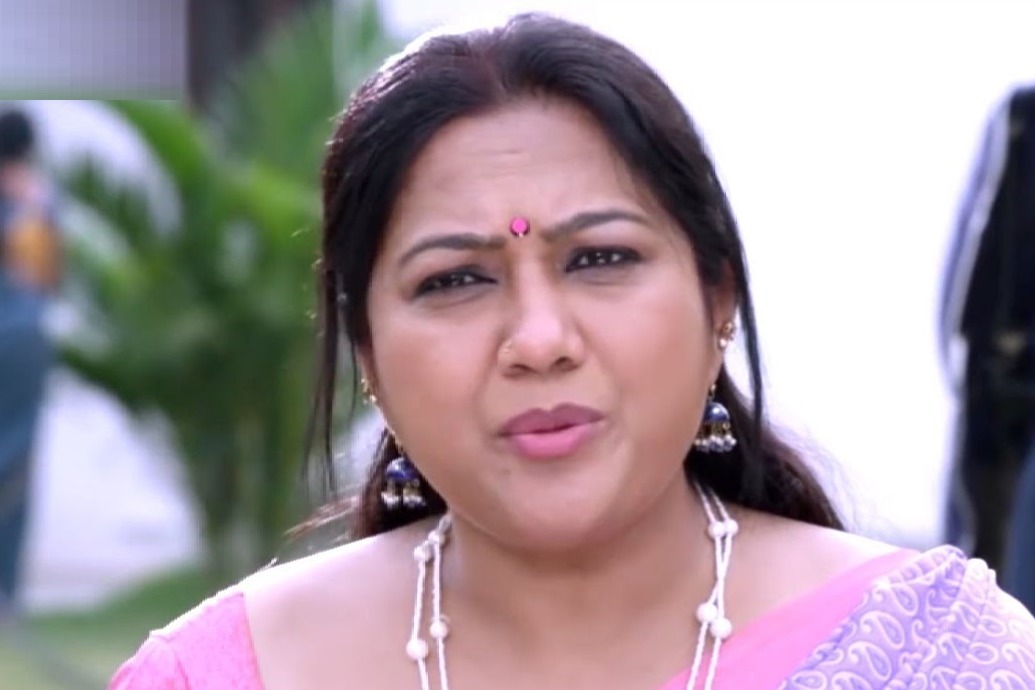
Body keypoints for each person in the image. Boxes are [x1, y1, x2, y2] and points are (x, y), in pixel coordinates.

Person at [109, 14, 1035, 689]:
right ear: (368, 353)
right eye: (454, 279)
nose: (539, 340)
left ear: (717, 296)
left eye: (599, 259)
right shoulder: (218, 675)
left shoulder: (937, 658)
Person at [0, 106, 60, 616]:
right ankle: (5, 590)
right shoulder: (37, 201)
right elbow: (46, 277)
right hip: (21, 346)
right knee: (15, 464)